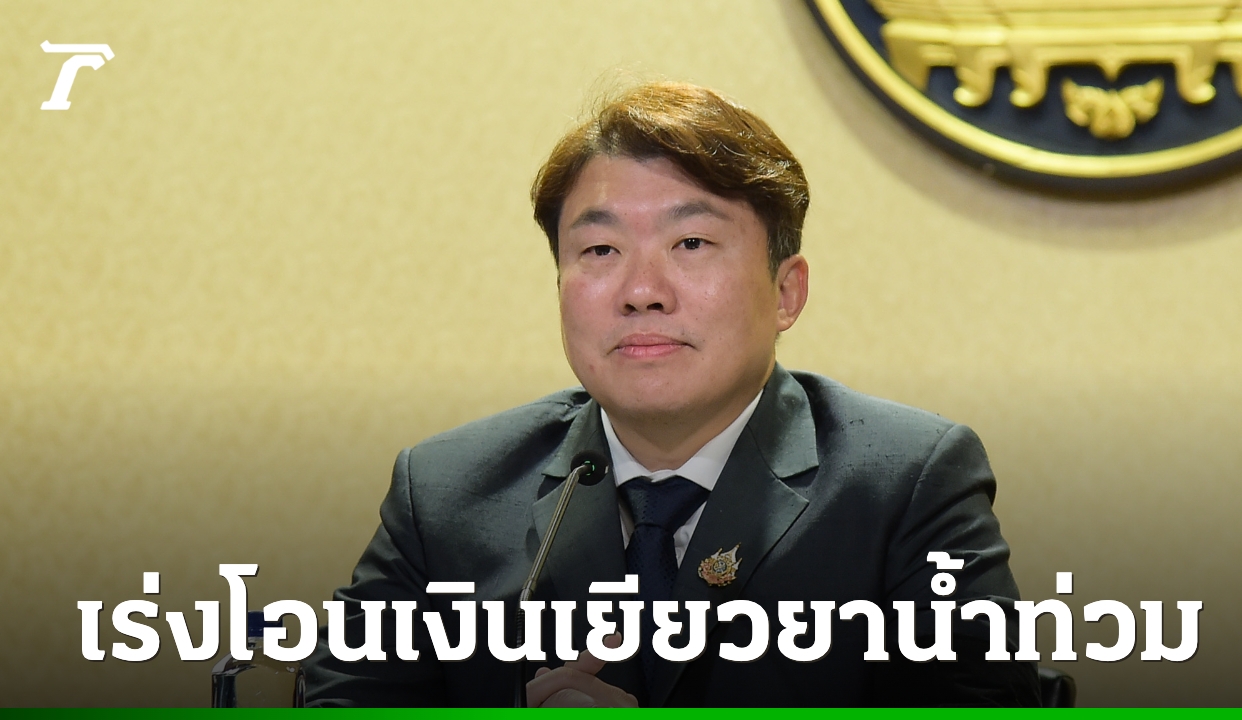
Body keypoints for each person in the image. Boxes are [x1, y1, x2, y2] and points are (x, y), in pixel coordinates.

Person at [302, 81, 1040, 707]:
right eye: (600, 250)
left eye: (691, 244)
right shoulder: (445, 492)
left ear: (786, 292)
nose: (642, 291)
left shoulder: (905, 485)